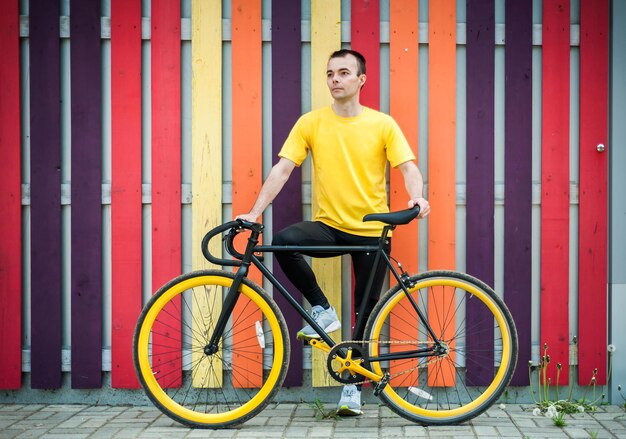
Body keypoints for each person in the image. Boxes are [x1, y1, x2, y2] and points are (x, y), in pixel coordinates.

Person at [237, 49, 430, 416]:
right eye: (330, 74)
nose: (335, 79)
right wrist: (254, 211)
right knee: (284, 243)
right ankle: (323, 310)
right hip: (330, 227)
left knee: (364, 314)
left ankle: (352, 390)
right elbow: (282, 170)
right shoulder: (311, 122)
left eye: (344, 73)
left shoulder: (382, 124)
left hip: (372, 231)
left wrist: (417, 197)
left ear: (361, 80)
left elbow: (408, 168)